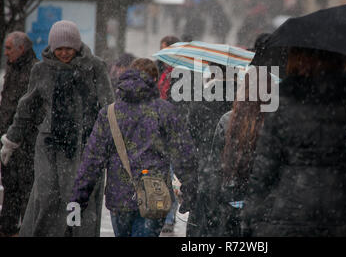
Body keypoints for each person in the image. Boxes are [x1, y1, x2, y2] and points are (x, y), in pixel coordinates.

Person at [0, 20, 114, 236]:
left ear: (77, 46)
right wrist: (12, 140)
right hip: (50, 145)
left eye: (68, 48)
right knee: (47, 197)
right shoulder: (41, 70)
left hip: (85, 145)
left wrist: (109, 142)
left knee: (81, 199)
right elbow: (26, 108)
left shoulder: (95, 67)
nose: (64, 53)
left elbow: (108, 108)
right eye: (59, 49)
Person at [241, 47, 346, 237]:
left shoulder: (282, 104)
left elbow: (264, 168)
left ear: (297, 61)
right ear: (339, 61)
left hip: (291, 209)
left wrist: (250, 215)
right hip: (340, 209)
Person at [70, 58, 197, 237]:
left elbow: (92, 159)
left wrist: (78, 198)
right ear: (154, 80)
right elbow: (184, 154)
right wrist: (191, 190)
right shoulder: (165, 111)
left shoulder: (110, 113)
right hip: (155, 195)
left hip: (119, 196)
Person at [204, 67, 272, 236]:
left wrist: (212, 208)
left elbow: (214, 168)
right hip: (265, 204)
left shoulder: (228, 120)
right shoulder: (275, 123)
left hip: (232, 200)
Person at [185, 63, 238, 236]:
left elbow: (189, 138)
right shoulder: (244, 101)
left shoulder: (201, 98)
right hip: (235, 173)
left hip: (205, 171)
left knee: (201, 225)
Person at [0, 32, 38, 236]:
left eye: (8, 48)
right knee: (10, 187)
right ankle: (8, 228)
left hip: (25, 143)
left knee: (25, 190)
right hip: (8, 139)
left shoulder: (34, 70)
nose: (6, 53)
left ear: (21, 48)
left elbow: (26, 110)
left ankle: (24, 230)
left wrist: (15, 136)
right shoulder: (13, 68)